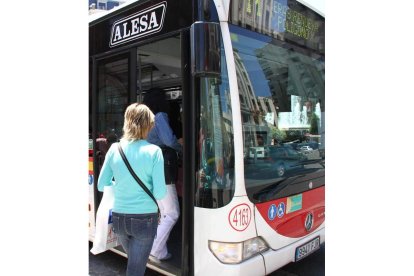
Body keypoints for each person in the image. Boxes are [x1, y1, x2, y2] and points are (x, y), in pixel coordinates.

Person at [97, 103, 167, 276]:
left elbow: (101, 184)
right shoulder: (155, 151)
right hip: (145, 220)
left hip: (120, 218)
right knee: (135, 270)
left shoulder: (115, 149)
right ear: (148, 125)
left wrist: (120, 184)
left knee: (134, 265)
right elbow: (160, 193)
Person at [143, 87, 182, 263]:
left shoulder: (143, 118)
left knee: (164, 211)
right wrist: (182, 146)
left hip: (149, 169)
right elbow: (169, 141)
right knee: (172, 212)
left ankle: (161, 251)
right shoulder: (159, 117)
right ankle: (154, 249)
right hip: (163, 170)